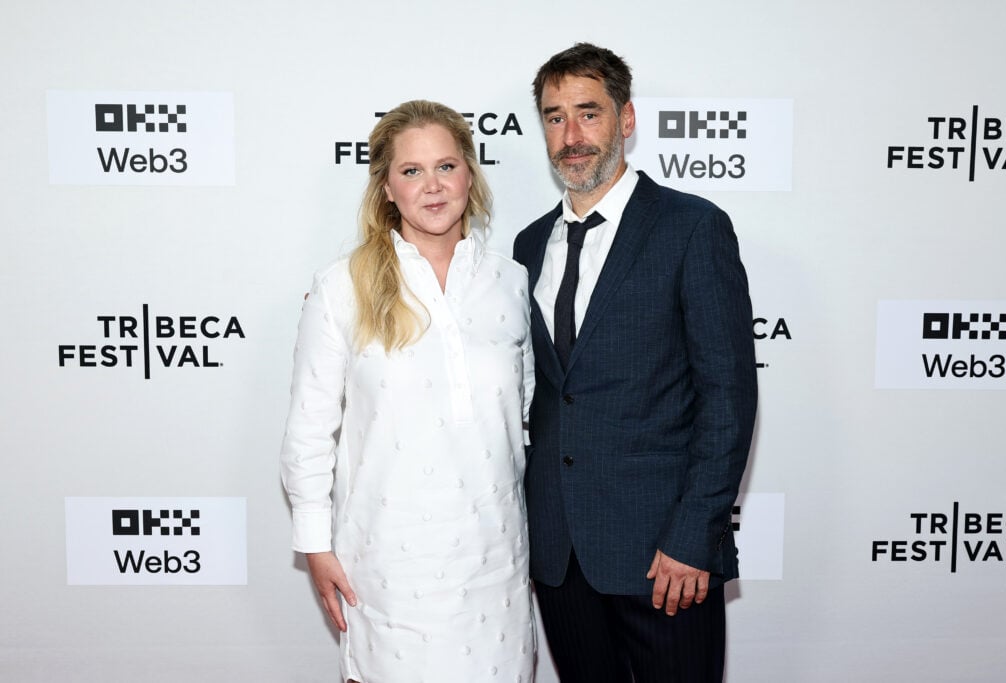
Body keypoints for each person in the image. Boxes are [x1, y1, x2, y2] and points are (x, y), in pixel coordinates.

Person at [513, 44, 757, 682]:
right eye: (554, 116)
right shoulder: (528, 243)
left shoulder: (691, 228)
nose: (571, 136)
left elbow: (728, 397)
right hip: (559, 554)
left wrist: (693, 535)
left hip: (663, 556)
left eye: (588, 114)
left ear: (626, 121)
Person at [281, 99, 536, 683]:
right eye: (412, 171)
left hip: (495, 558)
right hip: (388, 563)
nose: (433, 187)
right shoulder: (342, 285)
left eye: (446, 166)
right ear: (386, 189)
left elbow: (523, 414)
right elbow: (309, 431)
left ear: (470, 174)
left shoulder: (511, 281)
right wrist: (316, 546)